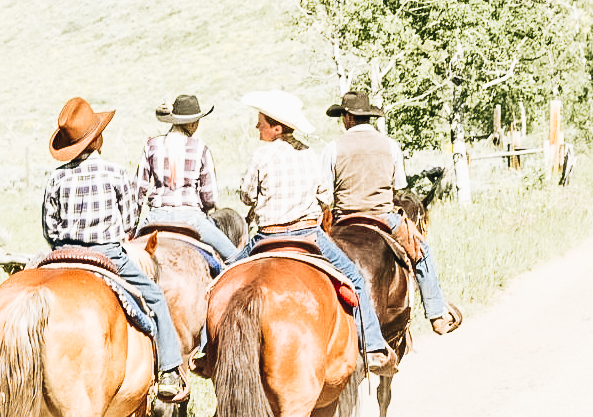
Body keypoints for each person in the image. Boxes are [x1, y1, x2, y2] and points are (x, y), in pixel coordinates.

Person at [230, 89, 396, 374]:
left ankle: (205, 348)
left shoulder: (262, 156)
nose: (257, 126)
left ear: (276, 127)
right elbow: (325, 196)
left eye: (261, 121)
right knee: (354, 278)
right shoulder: (308, 154)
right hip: (308, 234)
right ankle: (373, 345)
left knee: (223, 277)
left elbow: (246, 196)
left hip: (267, 235)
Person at [42, 96, 187, 400]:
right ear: (97, 139)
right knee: (156, 298)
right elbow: (131, 220)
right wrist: (119, 235)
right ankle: (170, 371)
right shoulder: (117, 173)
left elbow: (50, 228)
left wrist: (62, 245)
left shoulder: (55, 178)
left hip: (61, 256)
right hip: (107, 255)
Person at [322, 90, 461, 335]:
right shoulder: (390, 145)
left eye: (343, 116)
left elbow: (324, 192)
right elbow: (399, 186)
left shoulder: (333, 148)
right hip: (383, 217)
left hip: (343, 219)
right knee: (421, 251)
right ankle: (436, 314)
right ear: (366, 117)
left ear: (349, 117)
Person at [133, 95, 238, 261]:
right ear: (193, 123)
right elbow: (210, 197)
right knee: (236, 257)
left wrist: (131, 230)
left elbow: (137, 191)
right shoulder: (201, 148)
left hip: (155, 218)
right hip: (191, 219)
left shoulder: (151, 145)